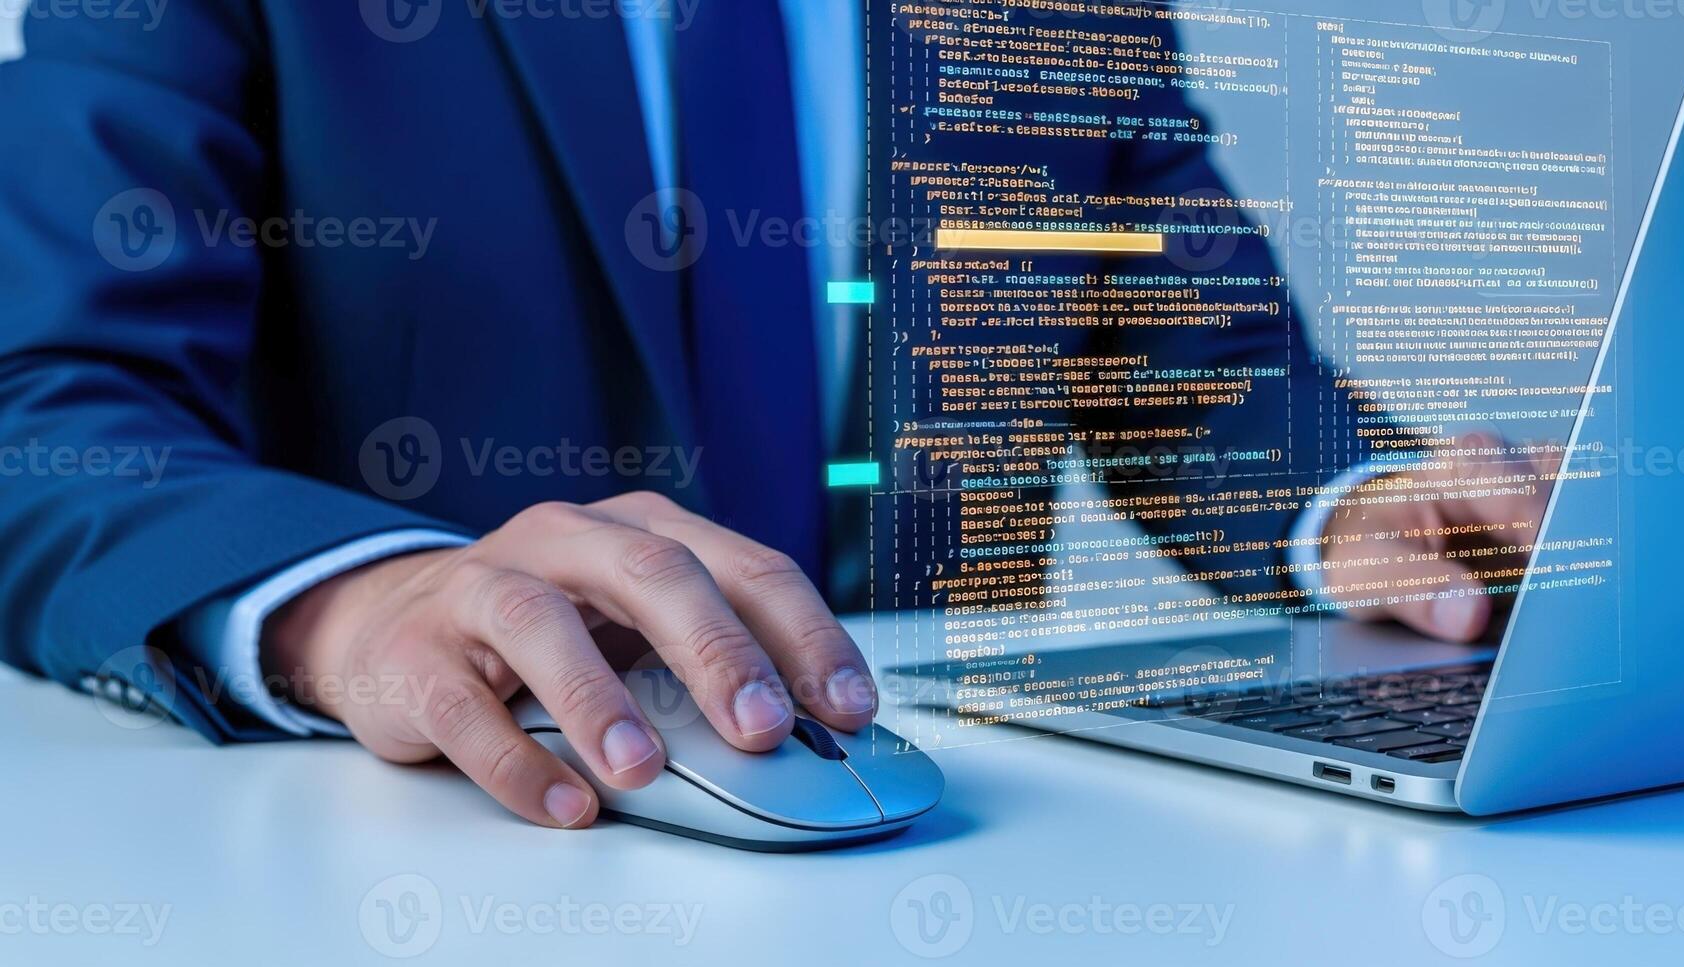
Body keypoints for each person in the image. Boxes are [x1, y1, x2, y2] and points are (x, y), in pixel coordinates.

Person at [0, 0, 1542, 830]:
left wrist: (1366, 505)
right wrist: (356, 599)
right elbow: (43, 412)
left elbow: (1195, 363)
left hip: (979, 853)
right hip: (468, 857)